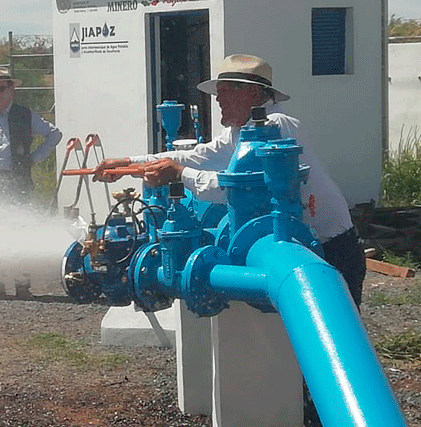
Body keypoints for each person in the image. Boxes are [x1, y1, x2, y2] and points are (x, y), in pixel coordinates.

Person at [93, 54, 365, 427]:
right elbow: (196, 156)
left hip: (330, 250)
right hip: (303, 246)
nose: (217, 100)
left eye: (224, 92)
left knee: (332, 351)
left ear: (253, 94)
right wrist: (132, 163)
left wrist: (180, 174)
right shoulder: (240, 135)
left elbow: (237, 188)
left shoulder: (277, 127)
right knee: (301, 355)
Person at [0, 67, 63, 301]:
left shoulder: (25, 115)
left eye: (2, 88)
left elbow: (55, 135)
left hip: (16, 182)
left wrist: (33, 159)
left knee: (19, 231)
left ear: (12, 89)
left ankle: (22, 287)